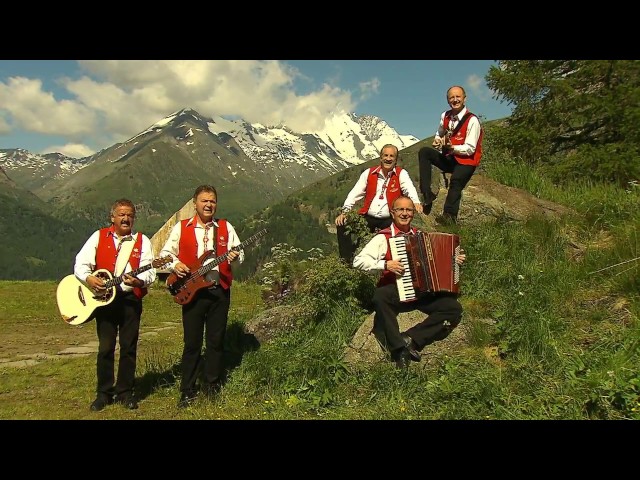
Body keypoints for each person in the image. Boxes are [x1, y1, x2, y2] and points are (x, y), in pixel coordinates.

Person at [353, 195, 466, 369]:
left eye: (409, 210)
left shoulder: (421, 236)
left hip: (423, 292)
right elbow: (358, 262)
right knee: (380, 296)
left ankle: (411, 339)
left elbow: (438, 263)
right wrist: (385, 264)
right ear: (392, 212)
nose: (405, 213)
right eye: (401, 210)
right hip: (396, 290)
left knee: (453, 308)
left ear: (413, 213)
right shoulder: (383, 238)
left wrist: (454, 260)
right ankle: (398, 349)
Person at [160, 184, 244, 408]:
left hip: (219, 291)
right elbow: (165, 254)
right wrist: (175, 264)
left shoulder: (226, 228)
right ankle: (188, 389)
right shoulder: (181, 228)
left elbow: (239, 254)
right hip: (193, 292)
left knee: (216, 341)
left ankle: (212, 385)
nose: (209, 205)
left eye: (213, 201)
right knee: (192, 342)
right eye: (204, 201)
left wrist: (234, 257)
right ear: (195, 203)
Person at [74, 198, 157, 411]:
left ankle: (125, 392)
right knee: (106, 348)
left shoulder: (142, 241)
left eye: (129, 215)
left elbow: (150, 271)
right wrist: (89, 278)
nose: (126, 218)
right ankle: (103, 393)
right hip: (105, 301)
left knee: (129, 347)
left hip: (130, 300)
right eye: (121, 214)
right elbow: (80, 264)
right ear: (113, 217)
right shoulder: (98, 236)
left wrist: (139, 281)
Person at [335, 143, 423, 264]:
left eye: (391, 156)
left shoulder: (401, 173)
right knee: (342, 223)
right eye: (385, 155)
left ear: (396, 159)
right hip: (367, 217)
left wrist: (416, 202)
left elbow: (409, 188)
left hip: (389, 219)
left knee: (395, 237)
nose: (388, 158)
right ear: (380, 157)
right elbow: (354, 194)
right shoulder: (369, 173)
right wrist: (345, 212)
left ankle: (393, 263)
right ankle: (346, 260)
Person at [417, 85, 483, 224]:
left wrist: (452, 147)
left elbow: (470, 148)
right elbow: (439, 132)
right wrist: (437, 140)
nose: (455, 100)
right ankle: (427, 193)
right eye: (451, 97)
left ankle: (449, 216)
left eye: (458, 96)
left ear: (465, 98)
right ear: (448, 100)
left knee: (456, 181)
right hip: (450, 158)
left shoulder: (472, 120)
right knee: (424, 152)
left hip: (467, 161)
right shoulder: (445, 116)